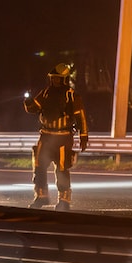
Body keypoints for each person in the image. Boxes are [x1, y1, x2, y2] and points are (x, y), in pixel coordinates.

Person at [24, 63, 89, 211]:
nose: (54, 81)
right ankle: (41, 197)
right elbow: (34, 108)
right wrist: (28, 102)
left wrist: (83, 136)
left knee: (61, 169)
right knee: (39, 167)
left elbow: (81, 117)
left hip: (63, 138)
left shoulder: (71, 95)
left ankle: (64, 200)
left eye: (58, 79)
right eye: (53, 78)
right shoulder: (46, 93)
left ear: (64, 79)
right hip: (45, 137)